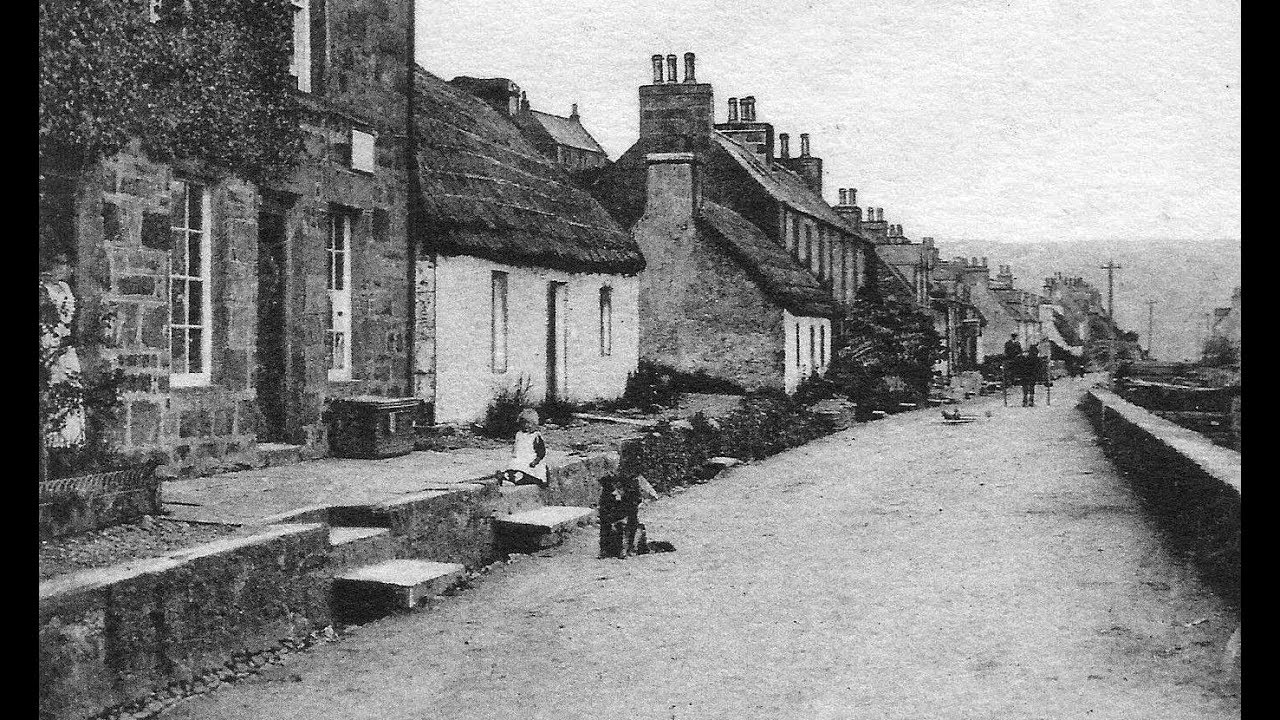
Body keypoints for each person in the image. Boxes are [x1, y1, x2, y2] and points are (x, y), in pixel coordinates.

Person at [40, 247, 86, 448]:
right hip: (46, 347)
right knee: (52, 391)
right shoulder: (43, 288)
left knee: (71, 388)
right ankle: (51, 444)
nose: (67, 269)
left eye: (67, 264)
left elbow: (69, 320)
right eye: (62, 263)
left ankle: (70, 443)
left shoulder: (66, 288)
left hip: (64, 348)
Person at [597, 474, 659, 559]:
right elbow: (604, 530)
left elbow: (630, 530)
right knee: (606, 528)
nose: (615, 492)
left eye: (619, 489)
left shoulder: (629, 504)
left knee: (637, 528)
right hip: (613, 532)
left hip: (628, 539)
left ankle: (630, 550)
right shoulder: (606, 503)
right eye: (612, 489)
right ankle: (605, 551)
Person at [500, 408, 547, 487]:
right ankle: (512, 477)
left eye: (529, 423)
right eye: (524, 423)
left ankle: (522, 479)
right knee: (513, 470)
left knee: (528, 474)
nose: (526, 426)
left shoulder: (535, 436)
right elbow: (516, 448)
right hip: (520, 460)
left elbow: (541, 452)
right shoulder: (519, 434)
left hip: (530, 461)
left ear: (535, 424)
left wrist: (535, 461)